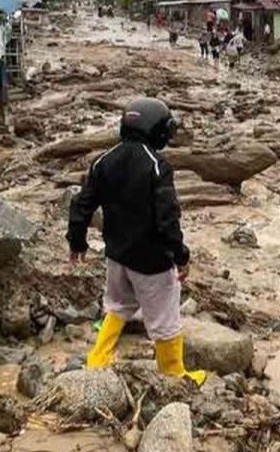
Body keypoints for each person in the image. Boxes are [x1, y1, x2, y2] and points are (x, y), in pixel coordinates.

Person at [67, 98, 206, 385]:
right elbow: (167, 218)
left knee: (117, 305)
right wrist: (180, 255)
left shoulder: (103, 160)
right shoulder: (157, 166)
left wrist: (77, 241)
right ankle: (174, 374)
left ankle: (97, 361)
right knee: (165, 320)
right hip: (152, 262)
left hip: (117, 256)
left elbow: (82, 205)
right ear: (157, 130)